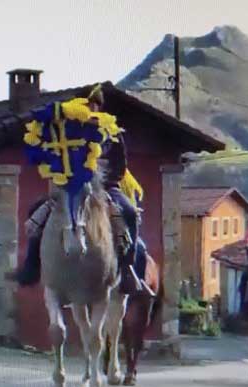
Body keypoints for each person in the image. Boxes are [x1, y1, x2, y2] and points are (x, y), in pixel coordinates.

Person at [8, 85, 146, 295]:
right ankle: (33, 264)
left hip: (105, 188)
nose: (90, 109)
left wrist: (103, 186)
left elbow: (119, 165)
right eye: (86, 105)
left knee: (128, 213)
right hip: (70, 187)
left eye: (93, 105)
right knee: (36, 212)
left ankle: (127, 268)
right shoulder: (66, 130)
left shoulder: (110, 131)